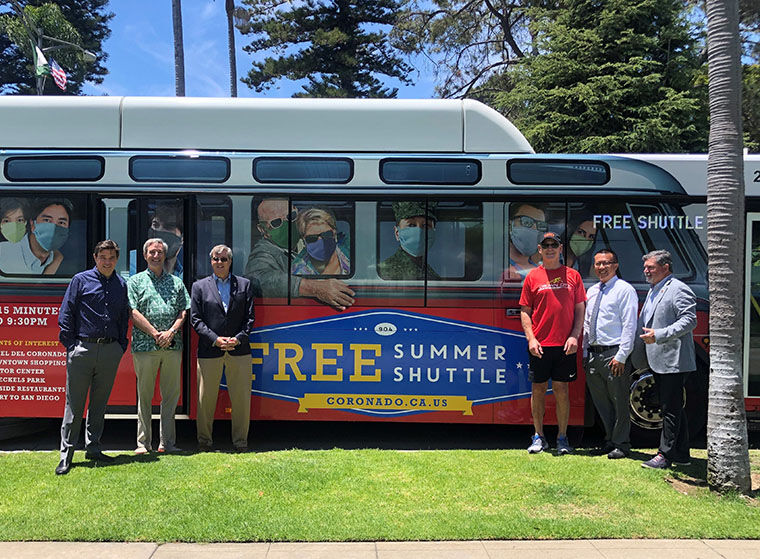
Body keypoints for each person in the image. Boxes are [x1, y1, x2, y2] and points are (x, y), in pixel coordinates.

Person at [55, 240, 129, 475]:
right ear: (95, 258)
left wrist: (120, 345)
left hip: (110, 351)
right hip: (82, 349)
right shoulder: (80, 280)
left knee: (99, 404)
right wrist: (71, 346)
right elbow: (66, 313)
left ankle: (93, 449)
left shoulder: (121, 284)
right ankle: (66, 455)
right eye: (103, 257)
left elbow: (122, 318)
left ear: (116, 259)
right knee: (74, 406)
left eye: (111, 257)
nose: (107, 261)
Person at [519, 231, 586, 455]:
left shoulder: (573, 276)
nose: (550, 248)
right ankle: (538, 436)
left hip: (565, 345)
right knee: (537, 390)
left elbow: (580, 310)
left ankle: (562, 438)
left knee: (562, 390)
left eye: (554, 245)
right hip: (539, 345)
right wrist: (531, 339)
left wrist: (575, 336)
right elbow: (525, 311)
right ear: (539, 249)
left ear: (560, 249)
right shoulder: (532, 277)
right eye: (545, 245)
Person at [632, 249, 697, 469]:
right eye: (645, 267)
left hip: (674, 360)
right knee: (674, 406)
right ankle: (682, 454)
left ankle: (664, 455)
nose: (646, 271)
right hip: (659, 359)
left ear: (665, 267)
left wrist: (659, 335)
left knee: (669, 409)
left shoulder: (678, 289)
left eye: (650, 267)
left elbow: (689, 320)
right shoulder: (655, 289)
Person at [127, 238, 190, 454]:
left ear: (165, 255)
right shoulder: (134, 282)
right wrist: (155, 333)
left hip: (172, 346)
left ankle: (168, 443)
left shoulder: (176, 282)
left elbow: (184, 311)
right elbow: (133, 312)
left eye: (159, 252)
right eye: (152, 252)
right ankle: (143, 444)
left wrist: (171, 332)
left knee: (170, 396)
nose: (156, 256)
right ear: (145, 256)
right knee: (144, 396)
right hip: (145, 346)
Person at [191, 244, 255, 452]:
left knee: (241, 399)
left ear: (230, 262)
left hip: (239, 350)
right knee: (205, 400)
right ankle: (204, 442)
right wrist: (215, 339)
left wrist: (238, 339)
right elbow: (196, 320)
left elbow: (250, 319)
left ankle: (240, 442)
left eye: (224, 259)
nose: (220, 263)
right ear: (211, 261)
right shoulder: (199, 286)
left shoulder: (244, 285)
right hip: (210, 350)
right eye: (216, 259)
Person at [244, 198, 355, 310]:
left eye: (291, 216)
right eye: (276, 223)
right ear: (263, 230)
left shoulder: (307, 235)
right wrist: (315, 288)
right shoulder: (263, 252)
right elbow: (258, 280)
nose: (287, 224)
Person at [583, 248, 638, 459]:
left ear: (615, 265)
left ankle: (622, 444)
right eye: (598, 263)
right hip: (594, 355)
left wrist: (622, 356)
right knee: (602, 403)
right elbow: (588, 325)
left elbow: (629, 325)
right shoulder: (593, 291)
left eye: (606, 263)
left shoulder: (624, 290)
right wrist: (584, 353)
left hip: (614, 354)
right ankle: (609, 440)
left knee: (619, 401)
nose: (601, 267)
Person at [0, 198, 72, 275]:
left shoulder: (67, 265)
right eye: (47, 220)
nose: (53, 228)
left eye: (61, 222)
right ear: (32, 224)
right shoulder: (4, 252)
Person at [377, 201, 440, 281]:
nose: (420, 232)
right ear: (397, 233)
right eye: (411, 225)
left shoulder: (431, 273)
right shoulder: (384, 272)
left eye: (426, 225)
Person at [291, 207, 350, 276]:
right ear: (304, 241)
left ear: (334, 233)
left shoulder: (350, 250)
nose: (321, 241)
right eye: (312, 238)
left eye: (326, 234)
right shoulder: (297, 273)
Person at [505, 203, 546, 280]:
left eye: (540, 225)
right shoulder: (500, 268)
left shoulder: (540, 269)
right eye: (526, 222)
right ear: (510, 225)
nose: (534, 228)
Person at [149, 202, 183, 276]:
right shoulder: (132, 261)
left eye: (168, 227)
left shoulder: (190, 269)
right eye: (155, 225)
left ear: (182, 238)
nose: (160, 231)